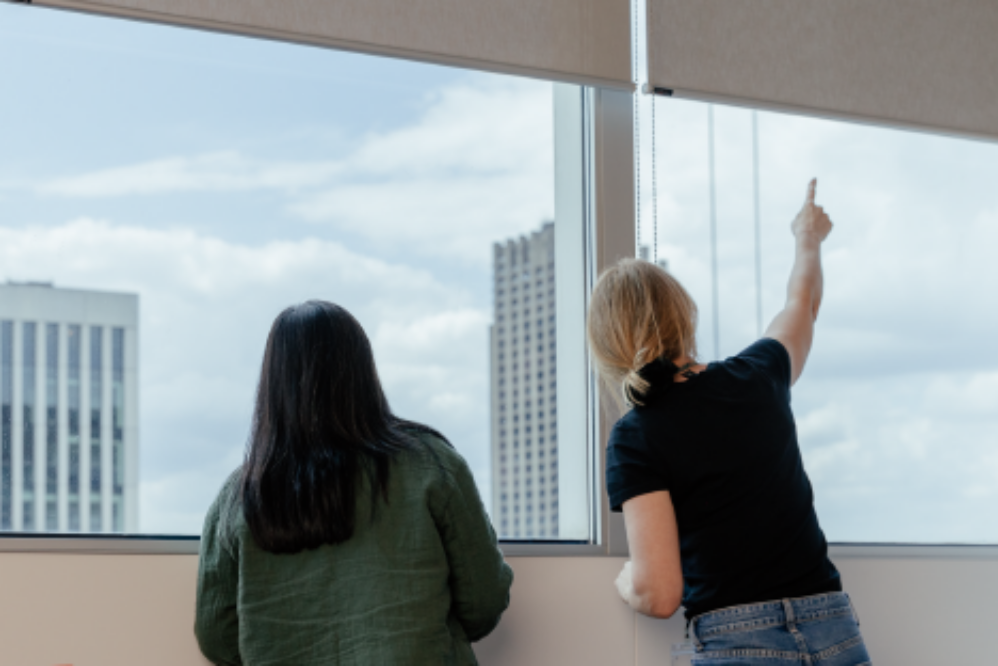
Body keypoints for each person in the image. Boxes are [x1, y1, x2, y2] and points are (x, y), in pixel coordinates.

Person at [589, 180, 871, 664]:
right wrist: (807, 238)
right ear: (684, 316)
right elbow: (802, 304)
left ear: (607, 347)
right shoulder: (759, 375)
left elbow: (658, 594)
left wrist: (626, 581)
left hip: (738, 641)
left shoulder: (636, 435)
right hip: (833, 629)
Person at [195, 300, 512, 665]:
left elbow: (215, 637)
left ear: (274, 382)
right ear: (363, 371)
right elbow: (484, 601)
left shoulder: (238, 498)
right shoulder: (432, 464)